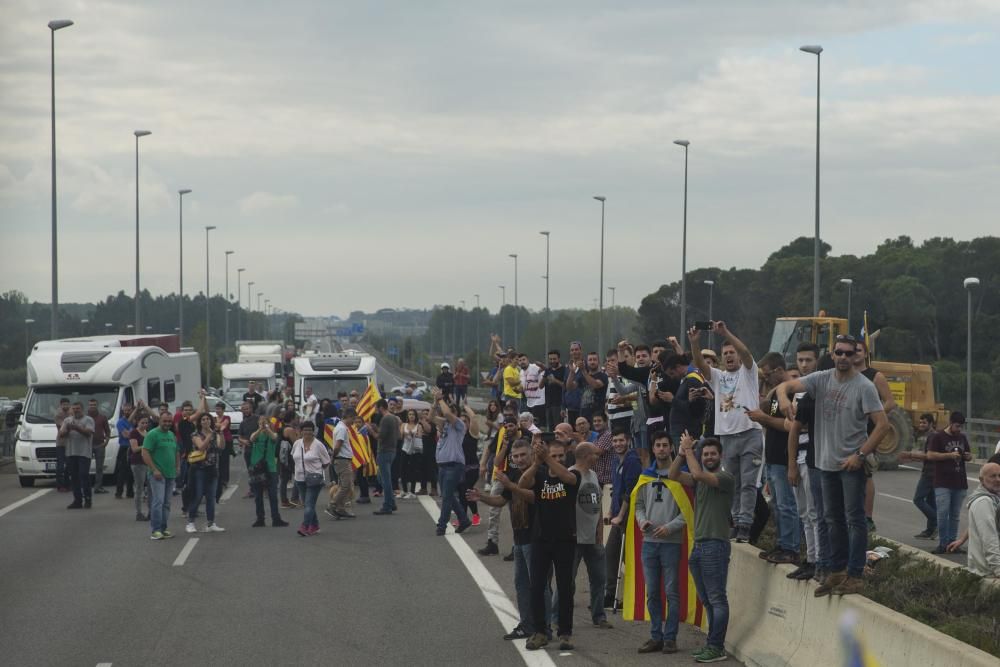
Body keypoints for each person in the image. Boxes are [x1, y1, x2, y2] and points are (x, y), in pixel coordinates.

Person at [776, 335, 888, 597]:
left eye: (849, 353)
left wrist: (860, 455)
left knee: (854, 519)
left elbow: (883, 425)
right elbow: (786, 387)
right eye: (839, 353)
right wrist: (781, 397)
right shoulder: (822, 379)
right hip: (824, 465)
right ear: (833, 353)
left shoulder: (864, 386)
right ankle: (836, 572)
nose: (844, 358)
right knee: (830, 519)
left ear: (856, 356)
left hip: (850, 465)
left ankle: (855, 574)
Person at [465, 439, 545, 640]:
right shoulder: (513, 474)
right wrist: (480, 497)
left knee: (540, 585)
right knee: (521, 584)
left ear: (531, 454)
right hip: (519, 538)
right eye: (516, 456)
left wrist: (510, 485)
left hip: (536, 537)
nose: (519, 459)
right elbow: (502, 500)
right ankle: (527, 625)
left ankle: (545, 627)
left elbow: (532, 497)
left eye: (523, 455)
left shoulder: (540, 473)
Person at [689, 323, 761, 544]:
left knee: (748, 483)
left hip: (750, 433)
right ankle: (736, 522)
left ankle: (745, 525)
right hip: (727, 438)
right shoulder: (719, 376)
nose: (730, 356)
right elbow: (700, 364)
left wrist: (727, 333)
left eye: (733, 353)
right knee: (732, 483)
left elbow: (747, 353)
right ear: (721, 358)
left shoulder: (748, 372)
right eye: (726, 354)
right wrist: (694, 343)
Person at [669, 434, 735, 664]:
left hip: (715, 545)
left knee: (717, 599)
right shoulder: (700, 480)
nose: (708, 457)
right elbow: (673, 475)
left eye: (712, 454)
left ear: (720, 456)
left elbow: (697, 473)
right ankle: (711, 645)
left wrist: (688, 450)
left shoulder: (725, 477)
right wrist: (680, 453)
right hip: (699, 545)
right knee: (707, 600)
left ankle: (717, 647)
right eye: (705, 454)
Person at [521, 438, 581, 652]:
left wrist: (546, 457)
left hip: (565, 540)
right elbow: (522, 484)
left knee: (565, 588)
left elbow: (568, 478)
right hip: (541, 539)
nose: (556, 459)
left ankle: (565, 633)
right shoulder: (540, 474)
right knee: (536, 586)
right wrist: (537, 462)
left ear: (566, 456)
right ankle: (539, 632)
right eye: (553, 455)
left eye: (559, 456)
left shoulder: (573, 475)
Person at [551, 442, 612, 631]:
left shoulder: (593, 475)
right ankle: (556, 616)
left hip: (593, 538)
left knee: (599, 578)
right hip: (574, 538)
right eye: (595, 454)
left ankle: (599, 615)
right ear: (586, 456)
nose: (598, 457)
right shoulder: (569, 475)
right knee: (566, 580)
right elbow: (561, 507)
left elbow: (598, 505)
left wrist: (600, 530)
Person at [636, 432, 685, 654]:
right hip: (649, 542)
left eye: (666, 445)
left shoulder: (681, 476)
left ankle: (671, 638)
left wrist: (670, 527)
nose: (662, 449)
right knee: (653, 592)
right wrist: (642, 520)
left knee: (672, 592)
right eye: (658, 445)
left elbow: (688, 511)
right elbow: (638, 504)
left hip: (671, 542)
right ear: (653, 449)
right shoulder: (646, 475)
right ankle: (656, 635)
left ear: (672, 448)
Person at [750, 352, 799, 565]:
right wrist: (764, 383)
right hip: (772, 456)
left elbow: (790, 426)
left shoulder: (795, 391)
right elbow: (766, 410)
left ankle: (790, 547)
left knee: (787, 504)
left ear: (780, 370)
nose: (766, 378)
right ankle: (781, 544)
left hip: (784, 456)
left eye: (768, 374)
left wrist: (765, 419)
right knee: (778, 504)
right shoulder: (775, 394)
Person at [785, 342, 828, 583]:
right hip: (796, 454)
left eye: (808, 360)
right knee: (803, 512)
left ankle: (817, 560)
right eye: (800, 360)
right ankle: (810, 558)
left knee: (814, 512)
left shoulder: (818, 388)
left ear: (817, 361)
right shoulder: (794, 390)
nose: (803, 365)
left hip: (813, 456)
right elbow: (782, 420)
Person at [605, 428, 642, 608]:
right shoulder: (615, 461)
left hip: (629, 516)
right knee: (611, 553)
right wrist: (611, 512)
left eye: (621, 440)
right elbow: (616, 490)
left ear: (628, 441)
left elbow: (630, 492)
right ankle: (610, 594)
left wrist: (620, 515)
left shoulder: (632, 461)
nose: (618, 444)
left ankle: (640, 594)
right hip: (618, 514)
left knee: (629, 557)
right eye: (615, 441)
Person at [927, 411, 972, 555]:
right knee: (943, 512)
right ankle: (943, 543)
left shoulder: (962, 437)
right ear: (951, 423)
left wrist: (967, 456)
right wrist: (949, 455)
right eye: (957, 426)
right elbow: (930, 454)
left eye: (961, 427)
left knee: (955, 515)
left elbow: (969, 455)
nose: (959, 429)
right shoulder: (938, 436)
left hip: (959, 482)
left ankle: (953, 544)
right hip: (942, 482)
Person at [898, 413, 939, 539]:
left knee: (918, 499)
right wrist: (910, 459)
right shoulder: (927, 436)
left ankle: (937, 522)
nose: (921, 425)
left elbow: (928, 455)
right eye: (920, 422)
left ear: (931, 424)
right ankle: (930, 530)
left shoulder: (932, 436)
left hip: (930, 473)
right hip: (932, 471)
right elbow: (925, 456)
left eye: (924, 423)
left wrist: (910, 454)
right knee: (931, 502)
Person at [185, 411, 225, 533]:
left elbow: (221, 447)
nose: (206, 421)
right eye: (203, 419)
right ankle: (190, 522)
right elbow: (201, 446)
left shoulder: (215, 434)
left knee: (211, 497)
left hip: (212, 469)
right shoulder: (195, 434)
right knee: (197, 495)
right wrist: (211, 434)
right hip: (199, 469)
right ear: (200, 422)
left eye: (208, 419)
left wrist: (221, 433)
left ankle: (211, 523)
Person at [142, 411, 180, 539]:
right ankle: (155, 530)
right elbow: (145, 453)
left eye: (170, 421)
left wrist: (177, 466)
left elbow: (176, 452)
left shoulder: (171, 435)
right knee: (158, 501)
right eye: (165, 421)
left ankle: (164, 528)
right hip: (157, 475)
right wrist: (154, 469)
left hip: (170, 474)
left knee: (167, 503)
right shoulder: (152, 434)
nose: (167, 423)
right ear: (159, 421)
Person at [293, 421, 331, 536]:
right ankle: (314, 526)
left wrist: (317, 471)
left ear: (313, 431)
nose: (307, 432)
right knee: (308, 504)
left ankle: (305, 526)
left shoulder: (318, 445)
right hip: (299, 478)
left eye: (310, 430)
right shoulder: (297, 443)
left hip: (314, 479)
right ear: (301, 431)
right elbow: (294, 458)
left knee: (309, 504)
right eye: (305, 430)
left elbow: (326, 461)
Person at [249, 416, 288, 528]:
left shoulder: (272, 434)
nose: (263, 424)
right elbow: (252, 439)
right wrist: (259, 429)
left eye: (265, 422)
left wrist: (267, 429)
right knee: (258, 495)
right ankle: (260, 519)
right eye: (261, 422)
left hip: (270, 468)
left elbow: (275, 438)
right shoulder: (256, 434)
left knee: (272, 495)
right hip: (257, 468)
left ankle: (276, 518)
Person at [964, 462, 1000, 577]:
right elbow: (989, 538)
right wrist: (998, 568)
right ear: (981, 479)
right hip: (987, 571)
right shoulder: (984, 502)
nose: (998, 479)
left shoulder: (994, 499)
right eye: (993, 476)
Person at [60, 401, 95, 509]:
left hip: (84, 452)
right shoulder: (67, 420)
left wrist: (77, 428)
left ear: (82, 409)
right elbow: (61, 434)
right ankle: (77, 500)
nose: (76, 411)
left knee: (84, 475)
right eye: (74, 409)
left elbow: (89, 433)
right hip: (71, 452)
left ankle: (88, 498)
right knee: (74, 477)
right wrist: (67, 429)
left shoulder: (88, 419)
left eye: (78, 408)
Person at [372, 399, 401, 515]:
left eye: (376, 408)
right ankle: (391, 502)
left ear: (381, 407)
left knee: (385, 479)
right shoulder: (394, 418)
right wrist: (376, 428)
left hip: (384, 451)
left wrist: (371, 430)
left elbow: (380, 437)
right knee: (381, 478)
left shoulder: (386, 419)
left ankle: (387, 505)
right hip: (392, 450)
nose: (376, 410)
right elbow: (397, 435)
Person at [326, 408, 356, 520]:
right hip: (342, 459)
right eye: (352, 418)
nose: (353, 422)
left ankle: (340, 508)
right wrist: (334, 457)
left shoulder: (340, 427)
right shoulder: (342, 429)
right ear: (348, 416)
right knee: (346, 485)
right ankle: (333, 505)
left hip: (342, 459)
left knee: (343, 484)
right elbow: (338, 445)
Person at [114, 401, 143, 499]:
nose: (127, 412)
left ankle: (130, 492)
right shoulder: (120, 422)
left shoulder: (133, 422)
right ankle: (119, 492)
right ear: (122, 410)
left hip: (132, 447)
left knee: (131, 471)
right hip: (124, 447)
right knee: (122, 471)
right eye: (125, 410)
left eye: (129, 410)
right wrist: (133, 432)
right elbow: (125, 435)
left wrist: (131, 432)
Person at [128, 415, 150, 521]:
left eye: (146, 423)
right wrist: (146, 445)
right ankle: (139, 512)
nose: (145, 425)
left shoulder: (148, 433)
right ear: (138, 422)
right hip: (137, 462)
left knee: (150, 487)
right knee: (139, 487)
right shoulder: (134, 433)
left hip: (148, 462)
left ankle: (151, 511)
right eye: (142, 423)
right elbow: (134, 448)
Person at [87, 399, 111, 495]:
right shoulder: (85, 417)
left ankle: (98, 487)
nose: (92, 406)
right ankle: (86, 486)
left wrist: (107, 441)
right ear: (88, 406)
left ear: (97, 405)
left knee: (99, 468)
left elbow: (107, 430)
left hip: (100, 445)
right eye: (91, 405)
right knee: (85, 467)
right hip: (87, 445)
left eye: (94, 404)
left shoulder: (103, 417)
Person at [401, 409, 424, 498]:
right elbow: (400, 435)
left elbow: (420, 436)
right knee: (403, 469)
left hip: (414, 450)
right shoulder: (404, 424)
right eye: (410, 414)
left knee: (413, 470)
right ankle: (404, 490)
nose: (411, 416)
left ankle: (412, 491)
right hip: (405, 449)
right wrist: (405, 433)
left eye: (413, 414)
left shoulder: (418, 426)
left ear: (415, 416)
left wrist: (412, 434)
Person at [213, 402, 233, 503]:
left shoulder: (227, 417)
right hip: (216, 441)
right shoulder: (213, 419)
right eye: (216, 409)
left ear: (223, 409)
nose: (217, 411)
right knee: (217, 461)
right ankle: (218, 479)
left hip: (226, 441)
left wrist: (218, 426)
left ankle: (225, 480)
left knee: (225, 461)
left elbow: (223, 426)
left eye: (219, 409)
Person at [542, 350, 567, 429]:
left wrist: (555, 380)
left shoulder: (564, 370)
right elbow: (540, 386)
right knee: (550, 428)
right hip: (548, 404)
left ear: (558, 359)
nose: (552, 361)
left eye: (554, 359)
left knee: (559, 428)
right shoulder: (548, 370)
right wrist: (544, 376)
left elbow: (566, 386)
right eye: (550, 359)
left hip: (559, 404)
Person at [237, 401, 256, 499]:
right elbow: (239, 437)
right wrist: (243, 441)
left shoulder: (257, 419)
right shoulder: (243, 423)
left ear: (251, 409)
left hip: (258, 449)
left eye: (247, 408)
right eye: (244, 409)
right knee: (251, 470)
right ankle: (252, 490)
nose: (246, 411)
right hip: (248, 450)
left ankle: (261, 489)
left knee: (260, 470)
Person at [520, 353, 546, 424]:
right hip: (529, 402)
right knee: (531, 425)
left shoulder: (534, 367)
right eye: (520, 360)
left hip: (539, 402)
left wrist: (541, 365)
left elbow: (545, 369)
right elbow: (523, 387)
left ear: (528, 360)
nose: (522, 362)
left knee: (539, 424)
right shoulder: (521, 372)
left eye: (524, 359)